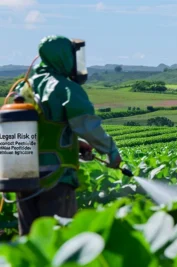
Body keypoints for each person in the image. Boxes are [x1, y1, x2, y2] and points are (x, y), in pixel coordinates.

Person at [12, 35, 122, 236]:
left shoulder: (24, 87)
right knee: (60, 241)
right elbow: (87, 125)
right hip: (55, 177)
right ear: (65, 57)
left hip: (23, 176)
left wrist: (75, 143)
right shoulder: (65, 88)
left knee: (30, 243)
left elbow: (42, 128)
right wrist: (111, 150)